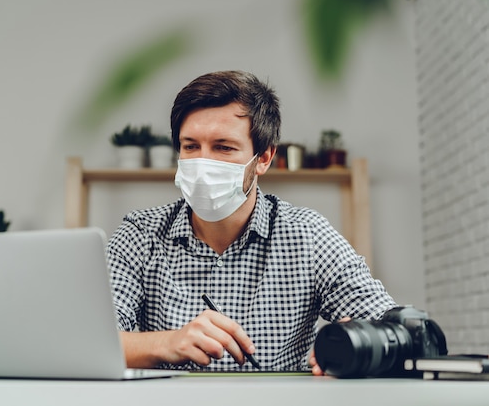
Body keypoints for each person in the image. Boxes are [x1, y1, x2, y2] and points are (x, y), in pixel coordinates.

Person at [106, 70, 397, 373]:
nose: (203, 165)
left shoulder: (307, 235)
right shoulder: (140, 235)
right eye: (191, 146)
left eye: (223, 147)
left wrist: (356, 343)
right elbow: (91, 342)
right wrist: (167, 343)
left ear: (264, 158)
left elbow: (405, 332)